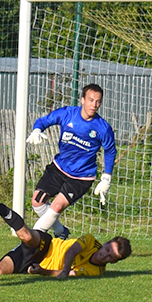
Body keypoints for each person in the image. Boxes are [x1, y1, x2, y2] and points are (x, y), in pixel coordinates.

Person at [0, 189, 130, 279]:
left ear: (114, 262)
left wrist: (42, 271)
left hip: (35, 264)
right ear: (106, 243)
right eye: (108, 249)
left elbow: (71, 274)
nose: (105, 255)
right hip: (47, 246)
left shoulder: (96, 272)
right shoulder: (91, 241)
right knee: (27, 236)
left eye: (111, 257)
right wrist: (66, 269)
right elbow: (72, 250)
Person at [26, 83, 117, 239]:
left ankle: (33, 239)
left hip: (81, 177)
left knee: (57, 206)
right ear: (82, 100)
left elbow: (110, 151)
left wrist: (106, 179)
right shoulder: (68, 114)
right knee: (37, 201)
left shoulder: (103, 128)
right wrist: (37, 130)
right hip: (59, 168)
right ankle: (61, 232)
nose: (94, 105)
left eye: (98, 101)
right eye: (90, 100)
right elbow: (44, 120)